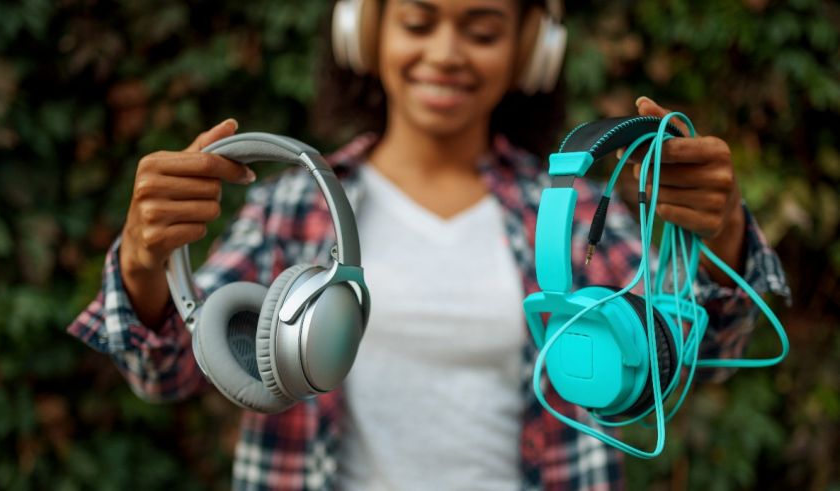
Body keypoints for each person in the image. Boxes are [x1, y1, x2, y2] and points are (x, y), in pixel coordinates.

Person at [68, 0, 789, 489]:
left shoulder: (570, 216)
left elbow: (697, 358)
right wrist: (144, 262)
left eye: (482, 30)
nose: (445, 54)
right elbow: (168, 372)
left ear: (530, 51)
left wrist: (722, 233)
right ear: (366, 30)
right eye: (418, 21)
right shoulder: (296, 207)